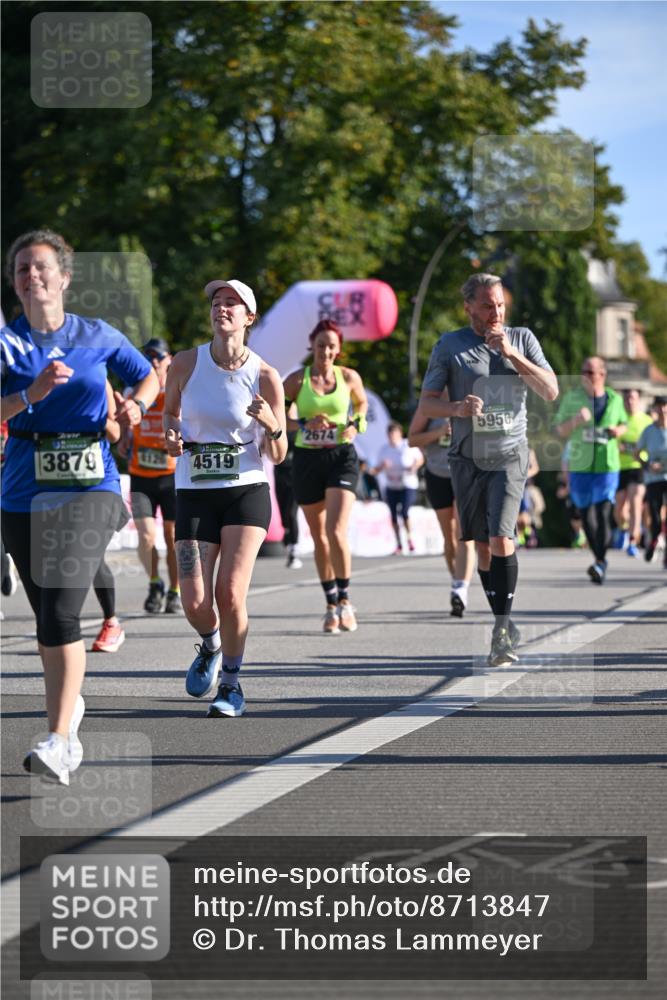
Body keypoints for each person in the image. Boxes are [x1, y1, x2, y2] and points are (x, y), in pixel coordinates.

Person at [0, 229, 158, 783]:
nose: (30, 275)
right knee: (49, 617)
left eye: (40, 266)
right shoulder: (7, 343)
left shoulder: (97, 335)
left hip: (92, 485)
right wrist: (29, 396)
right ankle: (68, 716)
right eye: (21, 268)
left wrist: (134, 410)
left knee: (65, 609)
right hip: (22, 491)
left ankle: (60, 739)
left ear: (64, 278)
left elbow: (149, 377)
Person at [419, 273, 558, 667]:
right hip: (466, 457)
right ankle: (502, 620)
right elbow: (427, 405)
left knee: (500, 536)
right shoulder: (450, 346)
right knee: (481, 545)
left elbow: (550, 390)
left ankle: (501, 626)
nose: (496, 313)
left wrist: (512, 354)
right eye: (487, 305)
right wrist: (456, 409)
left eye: (500, 305)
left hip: (511, 454)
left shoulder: (523, 338)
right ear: (469, 307)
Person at [164, 279, 286, 717]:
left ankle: (232, 685)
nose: (222, 308)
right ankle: (211, 645)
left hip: (245, 491)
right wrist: (171, 436)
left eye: (232, 303)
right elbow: (171, 414)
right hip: (194, 490)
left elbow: (279, 451)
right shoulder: (184, 362)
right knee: (195, 601)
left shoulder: (266, 375)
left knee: (229, 593)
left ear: (249, 317)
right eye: (217, 302)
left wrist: (272, 424)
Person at [284, 319, 368, 635]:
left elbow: (361, 404)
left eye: (332, 345)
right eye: (321, 345)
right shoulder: (297, 380)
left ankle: (346, 601)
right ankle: (330, 604)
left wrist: (354, 424)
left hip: (342, 457)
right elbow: (278, 414)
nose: (326, 351)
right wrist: (304, 423)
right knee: (318, 535)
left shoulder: (348, 377)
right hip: (307, 459)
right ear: (312, 346)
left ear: (339, 349)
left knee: (335, 530)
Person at [119, 337, 181, 612]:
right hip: (141, 475)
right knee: (146, 536)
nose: (153, 362)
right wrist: (123, 438)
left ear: (170, 359)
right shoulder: (133, 390)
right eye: (148, 357)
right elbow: (124, 429)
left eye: (158, 356)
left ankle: (175, 591)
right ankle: (155, 583)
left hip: (172, 476)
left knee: (172, 537)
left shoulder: (179, 390)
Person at [555, 356, 627, 584]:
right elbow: (559, 429)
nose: (586, 375)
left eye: (590, 372)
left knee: (604, 512)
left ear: (602, 375)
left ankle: (600, 561)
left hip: (607, 465)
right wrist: (576, 420)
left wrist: (618, 430)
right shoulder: (572, 398)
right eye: (583, 371)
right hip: (580, 466)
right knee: (587, 516)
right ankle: (600, 561)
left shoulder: (615, 399)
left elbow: (624, 423)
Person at [407, 409, 475, 616]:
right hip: (438, 474)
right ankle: (457, 581)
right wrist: (439, 432)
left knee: (464, 534)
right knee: (449, 536)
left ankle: (461, 589)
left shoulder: (471, 393)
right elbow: (412, 440)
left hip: (465, 471)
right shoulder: (431, 401)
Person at [91, 380, 127, 653]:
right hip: (54, 484)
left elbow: (115, 433)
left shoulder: (96, 378)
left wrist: (89, 414)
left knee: (89, 555)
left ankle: (111, 622)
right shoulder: (36, 373)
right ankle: (54, 627)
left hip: (98, 484)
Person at [373, 422, 424, 554]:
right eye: (390, 434)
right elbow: (375, 470)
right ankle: (398, 543)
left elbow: (420, 459)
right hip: (391, 485)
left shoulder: (407, 445)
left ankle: (409, 539)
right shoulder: (384, 450)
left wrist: (414, 467)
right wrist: (382, 466)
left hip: (408, 484)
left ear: (400, 434)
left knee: (405, 512)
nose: (392, 437)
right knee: (394, 515)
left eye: (394, 434)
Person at [613, 388, 652, 556]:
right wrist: (619, 447)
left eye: (633, 398)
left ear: (639, 400)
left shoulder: (646, 421)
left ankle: (633, 541)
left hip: (639, 466)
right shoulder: (619, 419)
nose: (630, 401)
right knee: (620, 509)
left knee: (636, 502)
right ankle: (624, 529)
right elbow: (612, 441)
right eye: (627, 398)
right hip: (620, 467)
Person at [635, 396, 667, 567]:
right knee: (654, 515)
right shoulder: (649, 431)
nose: (662, 411)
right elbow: (637, 453)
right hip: (653, 478)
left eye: (665, 407)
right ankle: (654, 539)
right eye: (659, 408)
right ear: (655, 410)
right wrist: (648, 465)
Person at [273, 430, 302, 569]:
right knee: (284, 515)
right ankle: (289, 547)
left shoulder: (299, 430)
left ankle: (294, 548)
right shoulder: (277, 426)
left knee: (291, 512)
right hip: (280, 476)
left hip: (296, 478)